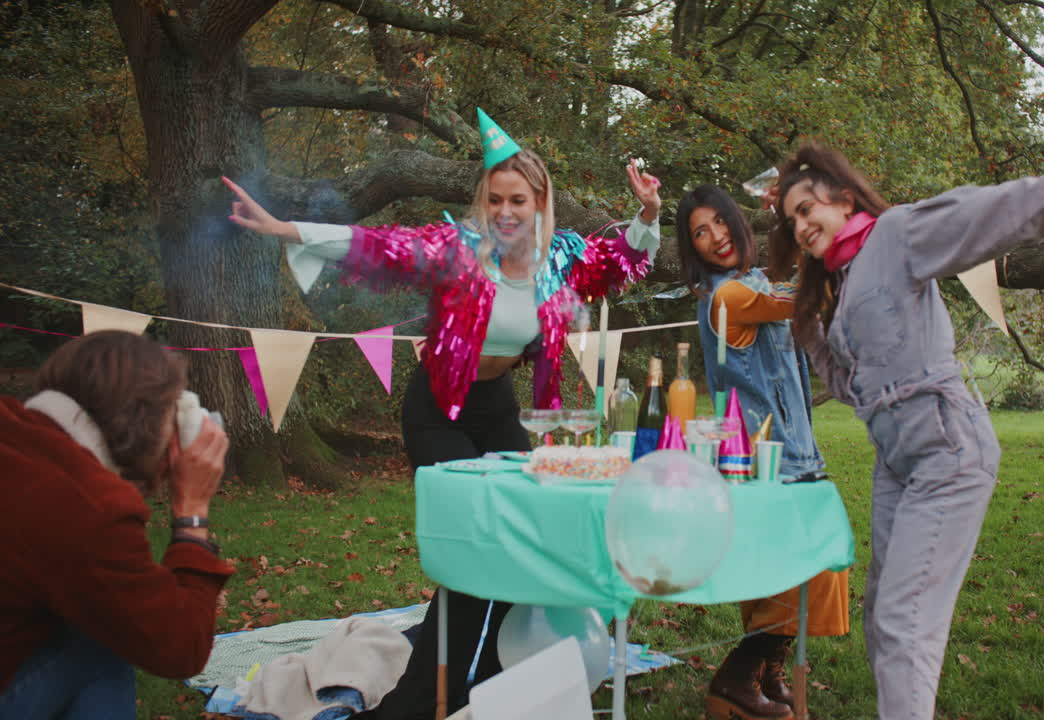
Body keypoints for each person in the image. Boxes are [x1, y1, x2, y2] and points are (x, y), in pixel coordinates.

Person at [224, 109, 662, 715]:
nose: (506, 213)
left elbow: (616, 263)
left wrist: (647, 215)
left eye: (519, 201)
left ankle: (485, 682)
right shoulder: (457, 251)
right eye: (496, 200)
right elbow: (380, 246)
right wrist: (285, 229)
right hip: (438, 411)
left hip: (497, 409)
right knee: (475, 547)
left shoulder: (560, 258)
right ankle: (418, 702)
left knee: (517, 543)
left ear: (540, 203)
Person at [768, 143, 1044, 719]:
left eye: (806, 209)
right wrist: (811, 324)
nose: (798, 227)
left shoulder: (894, 236)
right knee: (881, 620)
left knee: (903, 622)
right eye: (790, 218)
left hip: (947, 449)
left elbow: (979, 215)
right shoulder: (842, 282)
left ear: (844, 199)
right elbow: (851, 390)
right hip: (898, 462)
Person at [675, 185, 849, 720]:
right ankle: (733, 681)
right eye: (700, 232)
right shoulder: (728, 297)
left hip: (787, 449)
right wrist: (814, 224)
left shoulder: (751, 286)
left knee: (781, 569)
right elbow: (806, 296)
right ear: (692, 247)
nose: (716, 237)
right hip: (763, 456)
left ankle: (766, 683)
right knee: (817, 561)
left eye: (720, 222)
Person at [0, 330, 233, 720]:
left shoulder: (19, 438)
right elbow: (179, 648)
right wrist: (192, 508)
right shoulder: (86, 507)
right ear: (147, 416)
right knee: (103, 646)